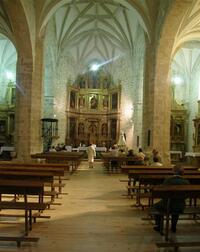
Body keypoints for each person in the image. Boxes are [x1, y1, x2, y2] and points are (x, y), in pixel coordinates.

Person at [152, 165, 190, 234]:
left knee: (155, 207)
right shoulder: (186, 182)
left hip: (168, 204)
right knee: (177, 204)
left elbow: (163, 193)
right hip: (181, 205)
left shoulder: (168, 180)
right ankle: (173, 227)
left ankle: (159, 226)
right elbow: (186, 196)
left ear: (174, 171)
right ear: (183, 173)